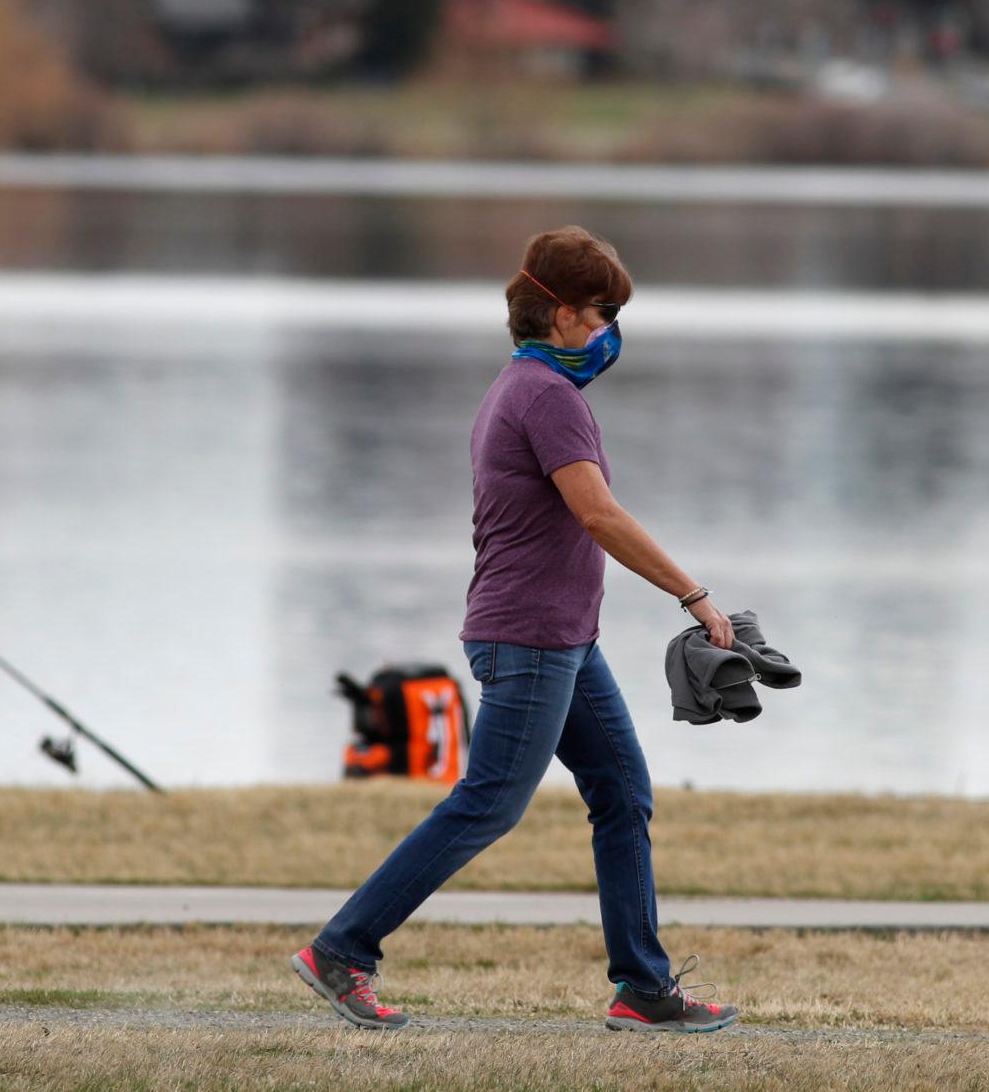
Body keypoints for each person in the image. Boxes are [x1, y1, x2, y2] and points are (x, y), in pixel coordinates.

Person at [292, 226, 739, 1034]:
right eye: (604, 314)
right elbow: (596, 513)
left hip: (561, 637)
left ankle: (643, 988)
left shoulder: (526, 388)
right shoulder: (545, 397)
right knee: (490, 802)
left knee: (622, 795)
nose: (611, 332)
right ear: (561, 313)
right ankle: (341, 949)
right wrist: (694, 596)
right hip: (530, 639)